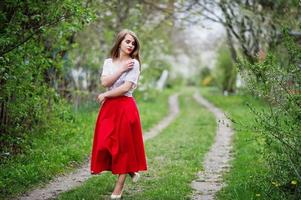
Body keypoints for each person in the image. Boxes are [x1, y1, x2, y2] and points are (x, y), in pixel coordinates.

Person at [90, 29, 147, 199]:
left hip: (125, 107)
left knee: (123, 147)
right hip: (109, 109)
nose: (130, 45)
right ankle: (131, 170)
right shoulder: (109, 62)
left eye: (133, 43)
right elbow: (105, 82)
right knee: (105, 144)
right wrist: (121, 69)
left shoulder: (134, 64)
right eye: (127, 41)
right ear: (120, 42)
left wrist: (105, 95)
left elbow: (124, 88)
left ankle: (119, 187)